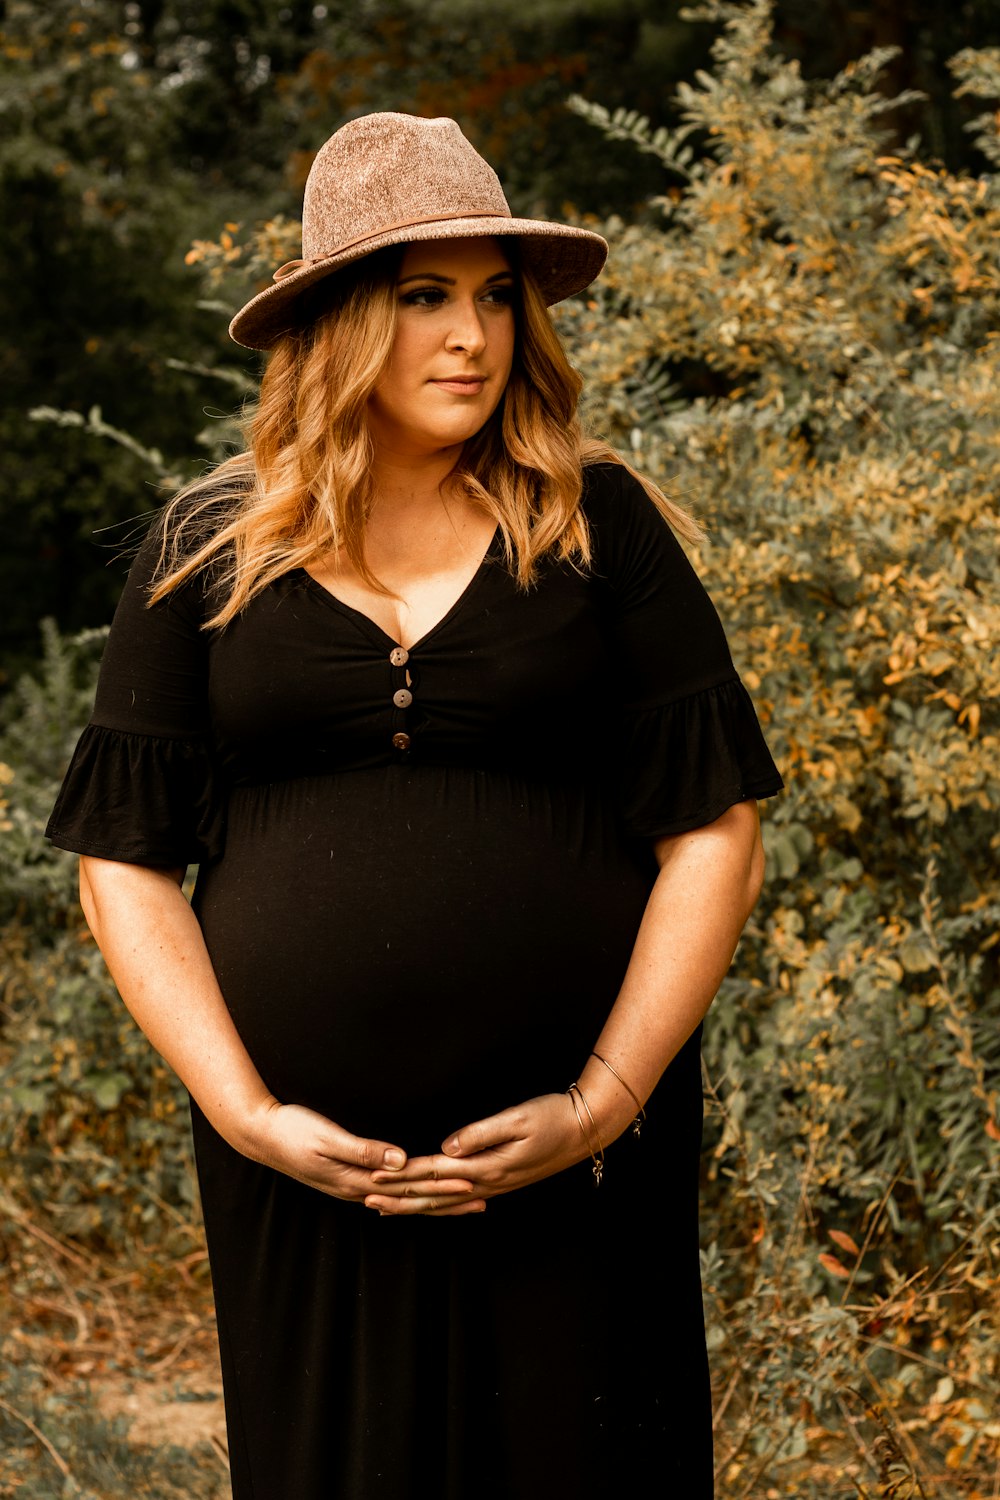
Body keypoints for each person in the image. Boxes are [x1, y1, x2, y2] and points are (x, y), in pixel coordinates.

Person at [46, 113, 783, 1499]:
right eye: (424, 295)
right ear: (336, 320)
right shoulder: (205, 549)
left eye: (496, 295)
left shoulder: (597, 524)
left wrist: (597, 1104)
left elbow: (713, 831)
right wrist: (250, 1112)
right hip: (311, 1178)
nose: (475, 337)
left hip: (575, 1170)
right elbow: (123, 867)